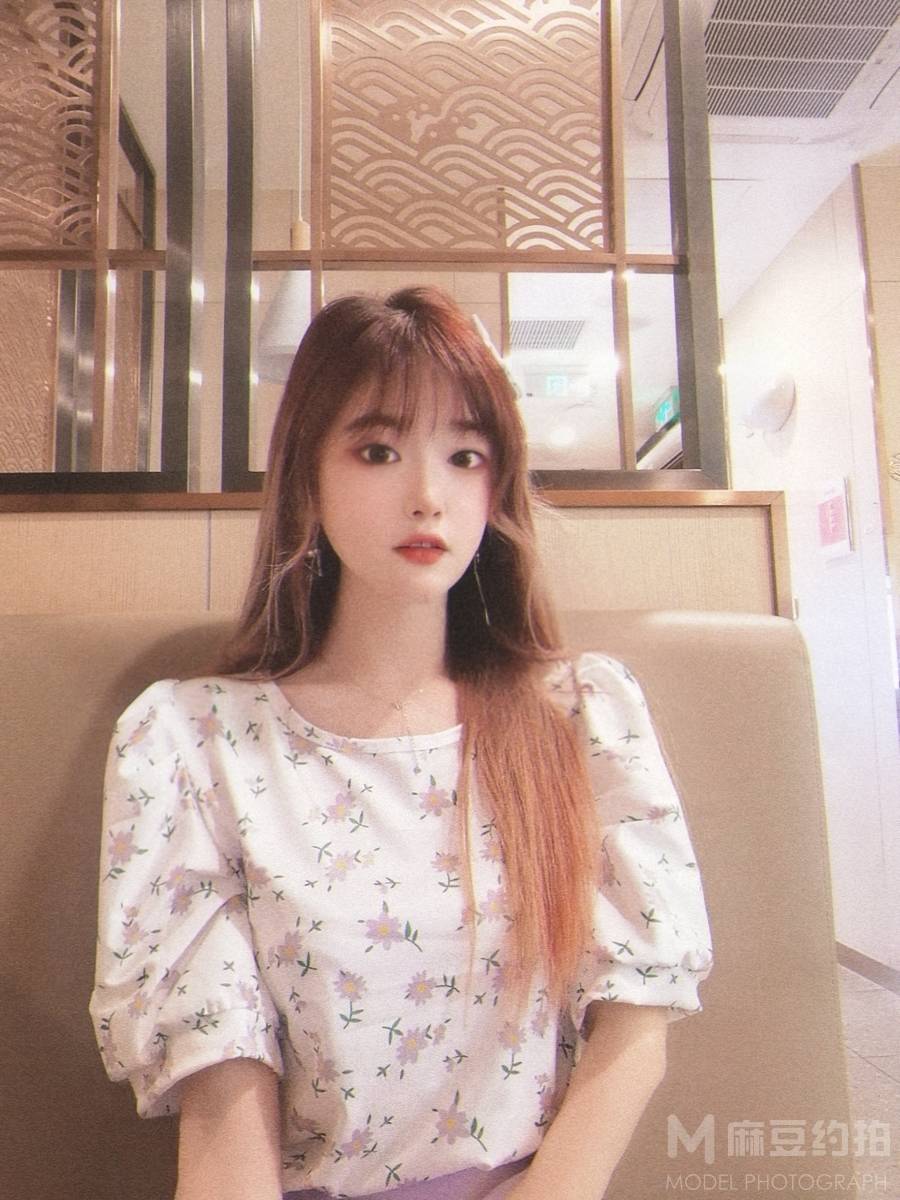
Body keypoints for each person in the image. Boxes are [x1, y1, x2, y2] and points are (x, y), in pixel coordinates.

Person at [90, 286, 712, 1200]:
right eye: (378, 451)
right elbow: (220, 1103)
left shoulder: (578, 716)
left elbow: (635, 1022)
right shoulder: (194, 742)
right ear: (308, 477)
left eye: (465, 456)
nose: (428, 496)